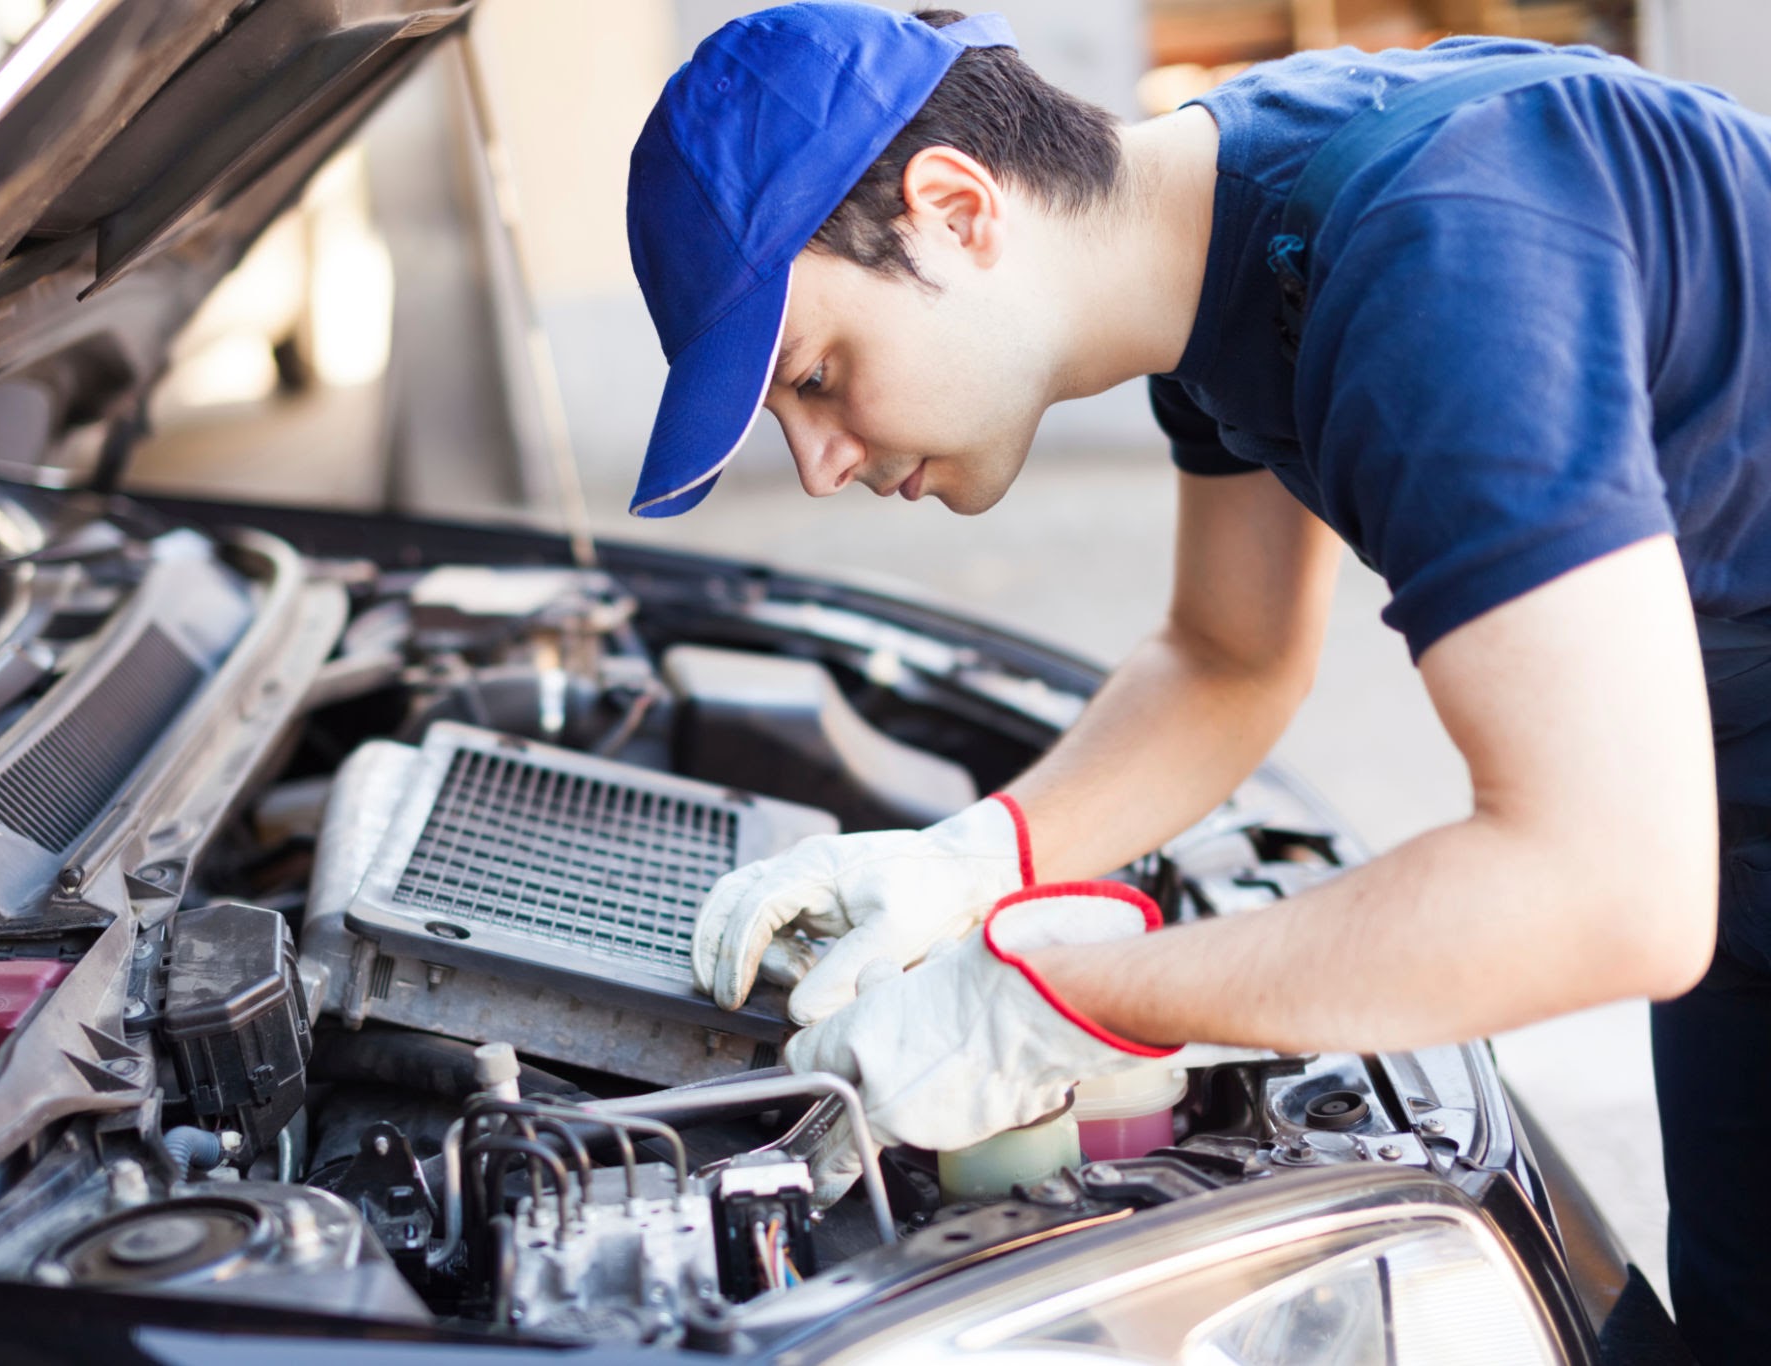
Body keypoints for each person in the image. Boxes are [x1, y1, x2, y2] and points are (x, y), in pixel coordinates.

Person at [623, 5, 1771, 1359]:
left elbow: (1604, 891)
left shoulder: (1442, 256)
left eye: (816, 375)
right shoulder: (1221, 243)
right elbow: (1229, 658)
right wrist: (965, 861)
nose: (819, 466)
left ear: (955, 209)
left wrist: (1067, 1001)